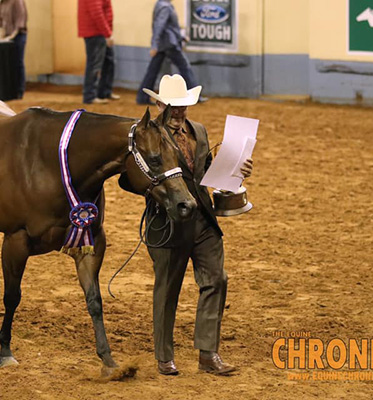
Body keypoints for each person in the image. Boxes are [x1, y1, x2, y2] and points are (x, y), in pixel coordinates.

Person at [120, 74, 253, 376]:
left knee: (216, 280)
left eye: (183, 106)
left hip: (203, 220)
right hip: (167, 223)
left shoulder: (200, 132)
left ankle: (208, 353)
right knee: (168, 289)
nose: (180, 112)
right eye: (174, 106)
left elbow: (207, 173)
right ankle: (164, 356)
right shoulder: (146, 136)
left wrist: (238, 168)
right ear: (159, 104)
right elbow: (127, 179)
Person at [136, 0, 206, 105]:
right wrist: (154, 44)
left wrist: (180, 37)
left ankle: (142, 97)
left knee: (152, 70)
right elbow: (160, 26)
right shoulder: (165, 7)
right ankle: (195, 96)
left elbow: (168, 27)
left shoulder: (161, 5)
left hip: (164, 44)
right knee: (185, 67)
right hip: (169, 44)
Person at [77, 0, 119, 104]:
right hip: (95, 32)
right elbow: (96, 13)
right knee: (94, 65)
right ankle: (89, 96)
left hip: (100, 32)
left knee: (109, 62)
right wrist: (107, 34)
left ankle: (104, 92)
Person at [0, 0, 28, 99]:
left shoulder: (17, 1)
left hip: (18, 36)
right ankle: (9, 90)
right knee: (8, 64)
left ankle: (19, 90)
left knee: (17, 63)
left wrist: (10, 37)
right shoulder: (2, 3)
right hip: (7, 38)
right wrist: (1, 37)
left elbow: (20, 23)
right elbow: (0, 22)